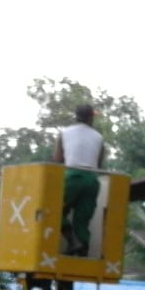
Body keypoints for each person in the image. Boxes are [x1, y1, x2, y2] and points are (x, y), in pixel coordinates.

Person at [52, 103, 106, 256]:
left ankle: (72, 242)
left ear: (77, 116)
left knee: (55, 210)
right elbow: (99, 163)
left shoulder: (64, 133)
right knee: (82, 218)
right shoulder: (99, 137)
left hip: (72, 176)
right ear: (90, 118)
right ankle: (82, 248)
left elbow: (57, 160)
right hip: (92, 180)